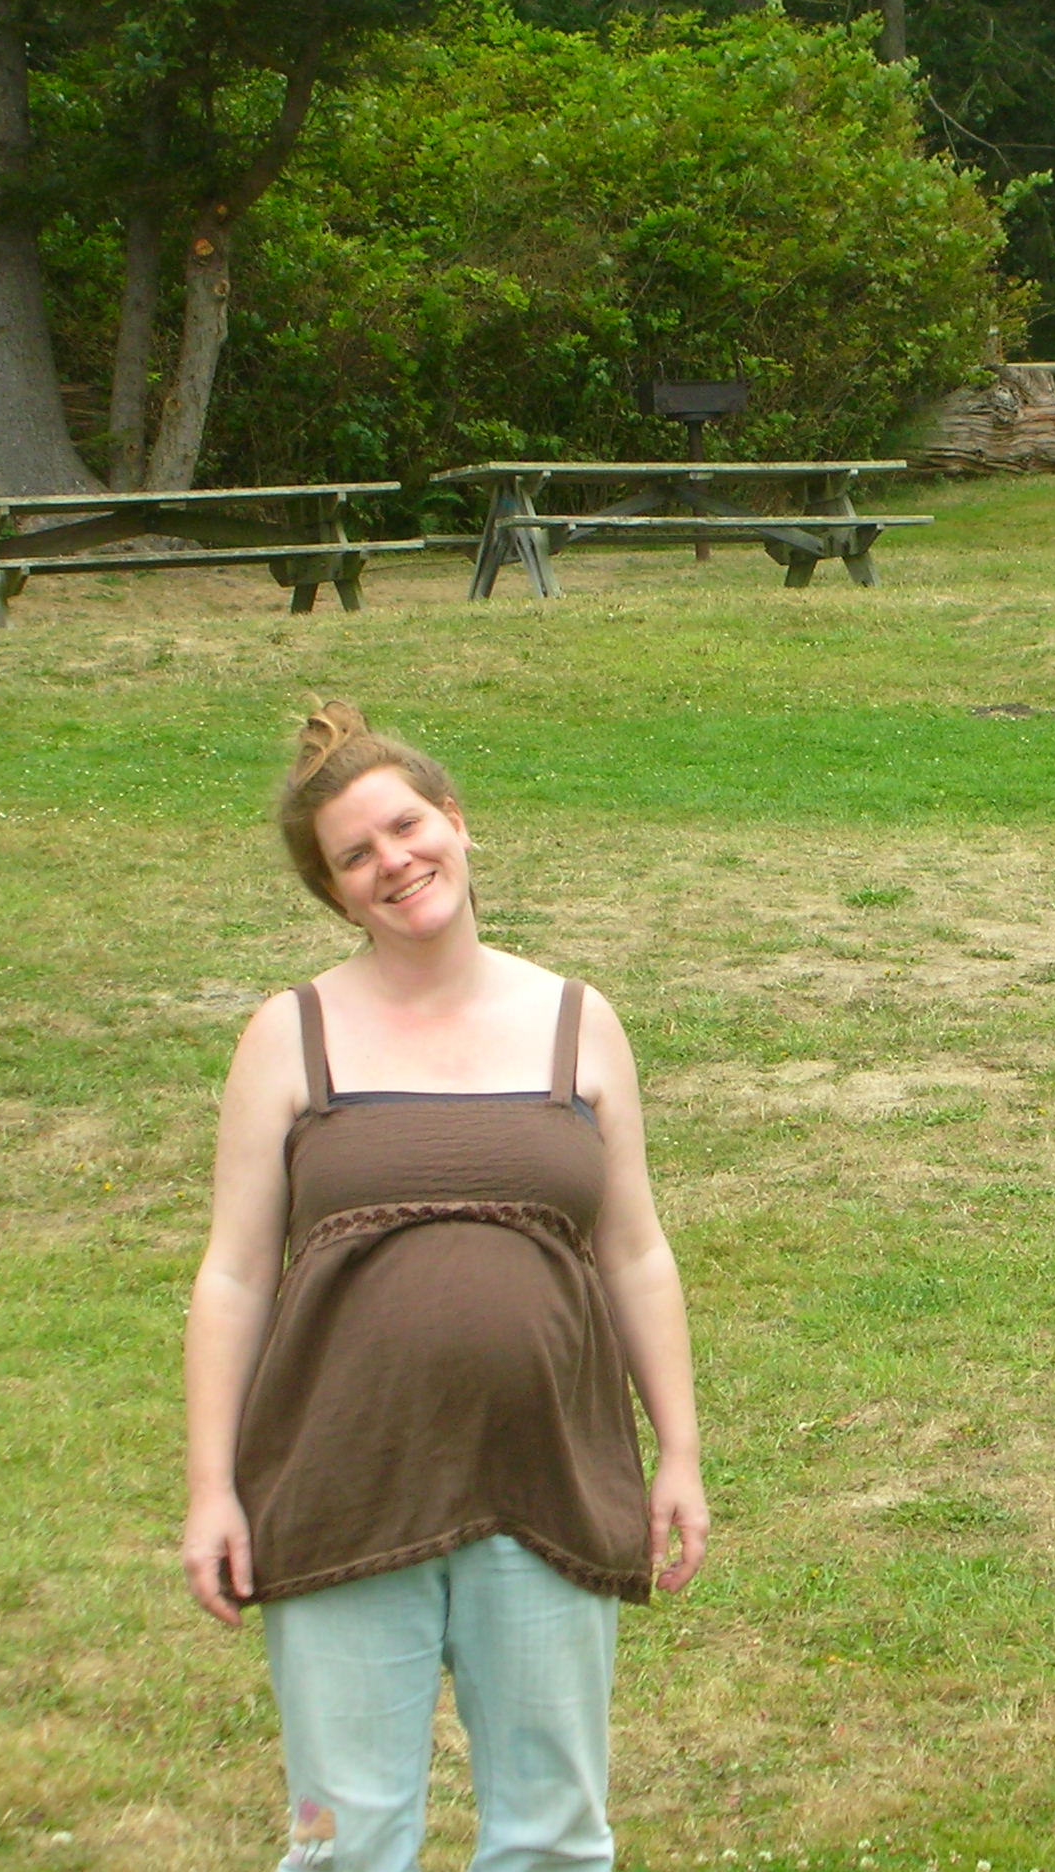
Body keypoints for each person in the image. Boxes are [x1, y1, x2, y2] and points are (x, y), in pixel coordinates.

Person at [183, 702, 708, 1872]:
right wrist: (212, 1488)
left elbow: (634, 1253)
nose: (392, 862)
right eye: (354, 856)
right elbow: (233, 1275)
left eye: (406, 827)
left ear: (457, 823)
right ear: (334, 894)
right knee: (345, 1840)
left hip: (546, 1479)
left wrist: (676, 1452)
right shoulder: (288, 1035)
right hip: (338, 1484)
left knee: (553, 1837)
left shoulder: (577, 1023)